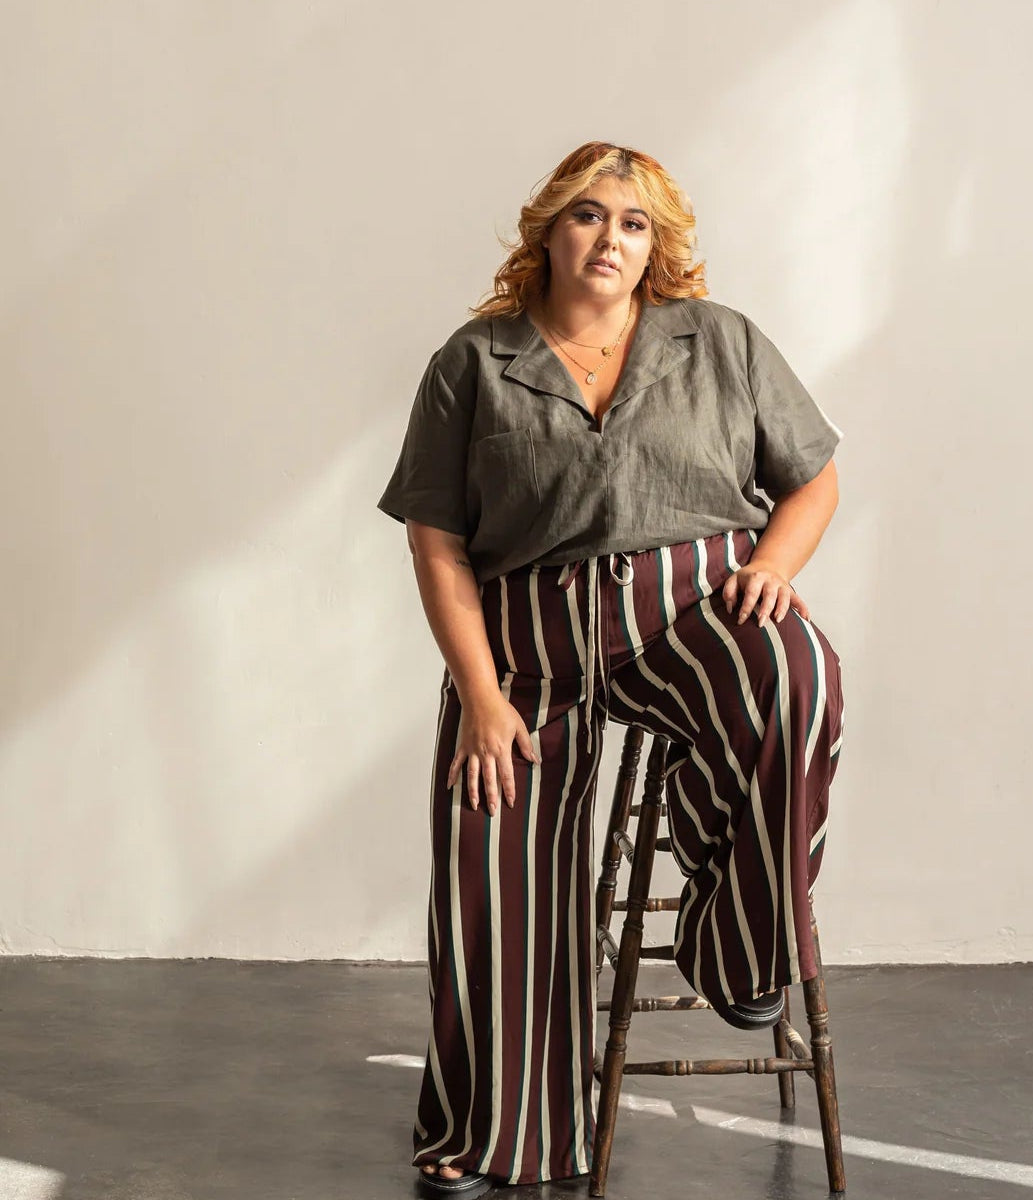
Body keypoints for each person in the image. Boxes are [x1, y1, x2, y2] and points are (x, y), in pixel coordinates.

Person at [377, 141, 846, 1199]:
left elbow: (813, 482)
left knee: (796, 676)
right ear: (548, 230)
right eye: (589, 216)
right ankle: (497, 1130)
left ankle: (741, 944)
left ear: (657, 246)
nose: (610, 239)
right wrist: (484, 699)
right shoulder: (474, 360)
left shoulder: (720, 341)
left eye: (634, 224)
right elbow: (437, 543)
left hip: (692, 607)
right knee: (491, 847)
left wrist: (772, 562)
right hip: (526, 644)